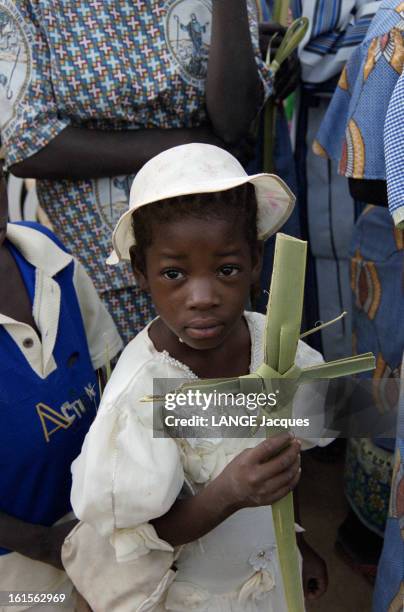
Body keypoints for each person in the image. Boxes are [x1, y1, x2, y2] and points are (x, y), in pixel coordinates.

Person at [62, 144, 328, 612]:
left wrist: (297, 542)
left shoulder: (276, 348)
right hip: (198, 595)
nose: (203, 296)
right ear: (141, 273)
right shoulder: (144, 393)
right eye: (174, 273)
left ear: (255, 262)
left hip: (272, 576)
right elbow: (141, 538)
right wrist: (226, 494)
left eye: (226, 269)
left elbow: (286, 456)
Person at [0, 0, 274, 344]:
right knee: (133, 387)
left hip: (214, 252)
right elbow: (28, 144)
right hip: (99, 261)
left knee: (219, 388)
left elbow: (235, 120)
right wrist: (186, 142)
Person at [0, 157, 122, 611]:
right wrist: (46, 545)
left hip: (93, 524)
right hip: (15, 565)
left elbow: (104, 367)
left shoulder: (47, 256)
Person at [313, 0, 404, 582]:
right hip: (390, 254)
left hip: (385, 245)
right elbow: (367, 174)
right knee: (380, 389)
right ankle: (364, 532)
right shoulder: (395, 24)